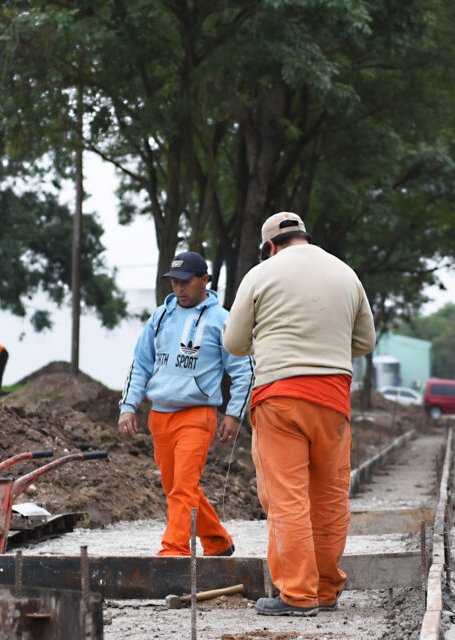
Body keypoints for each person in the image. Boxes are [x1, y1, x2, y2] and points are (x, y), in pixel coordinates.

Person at [224, 211, 376, 616]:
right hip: (334, 399)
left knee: (287, 499)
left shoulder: (262, 274)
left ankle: (296, 594)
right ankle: (325, 590)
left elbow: (235, 342)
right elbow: (365, 340)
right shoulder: (346, 273)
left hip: (279, 398)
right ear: (304, 237)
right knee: (328, 498)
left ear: (269, 246)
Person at [118, 250, 254, 558]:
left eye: (186, 282)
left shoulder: (223, 320)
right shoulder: (160, 316)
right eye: (174, 282)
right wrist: (128, 406)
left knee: (182, 488)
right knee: (179, 489)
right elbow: (140, 364)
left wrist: (234, 415)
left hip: (197, 416)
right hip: (159, 416)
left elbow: (243, 369)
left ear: (204, 280)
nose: (179, 288)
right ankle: (218, 541)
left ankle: (173, 552)